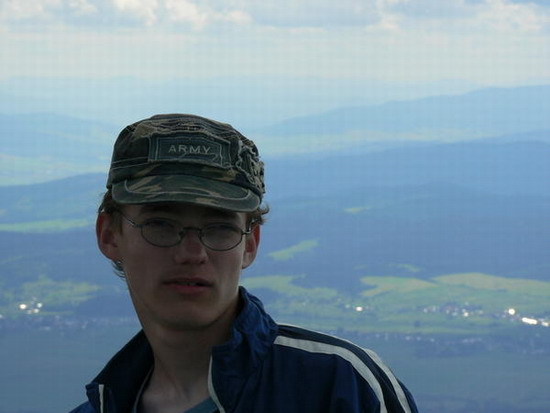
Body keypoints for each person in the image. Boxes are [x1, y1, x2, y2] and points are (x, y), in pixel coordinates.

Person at [70, 114, 418, 413]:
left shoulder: (341, 387)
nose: (192, 253)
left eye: (220, 228)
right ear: (109, 235)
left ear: (250, 244)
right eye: (160, 224)